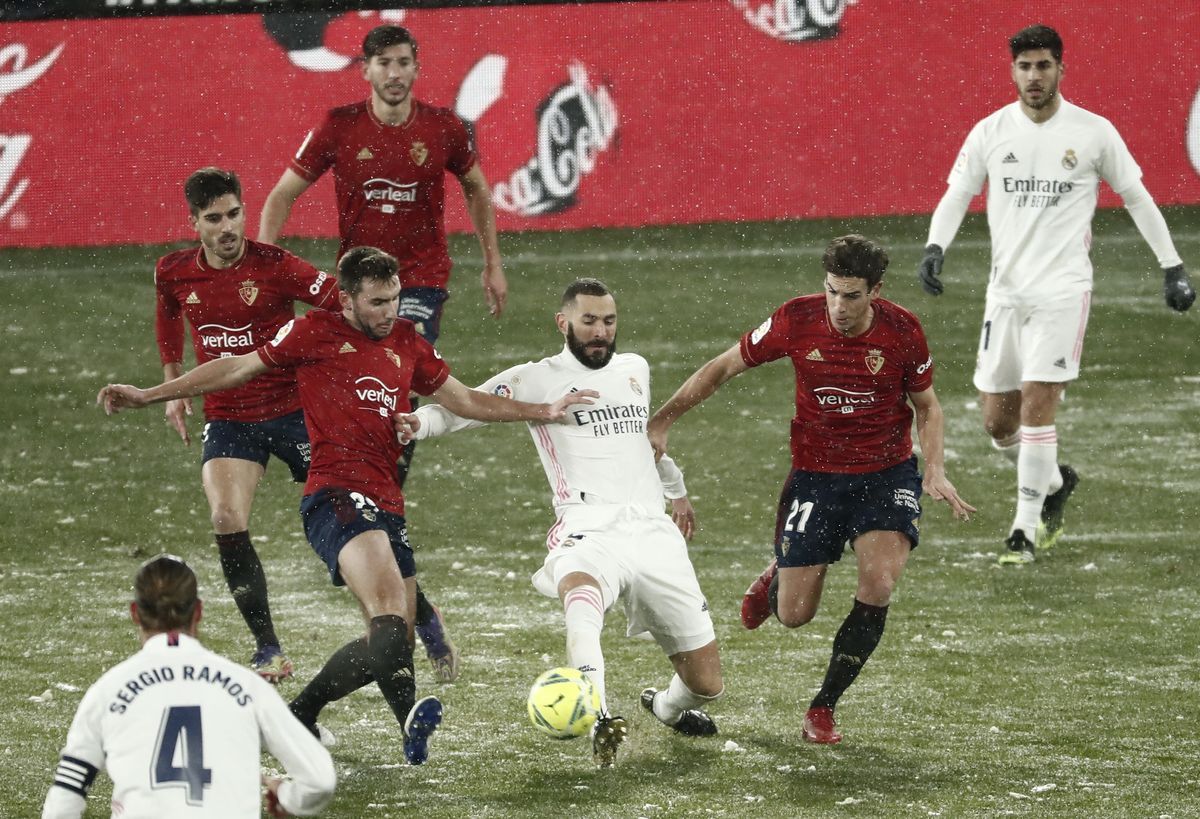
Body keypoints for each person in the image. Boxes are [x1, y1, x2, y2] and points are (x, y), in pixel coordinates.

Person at [98, 246, 593, 766]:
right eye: (377, 302)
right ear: (349, 299)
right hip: (334, 494)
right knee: (385, 614)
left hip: (387, 501)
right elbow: (236, 367)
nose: (390, 312)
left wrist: (543, 410)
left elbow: (464, 399)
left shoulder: (407, 343)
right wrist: (152, 394)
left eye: (396, 299)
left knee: (393, 637)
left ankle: (297, 716)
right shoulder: (314, 332)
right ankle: (401, 720)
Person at [648, 235, 974, 745]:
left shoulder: (903, 331)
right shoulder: (795, 320)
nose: (839, 308)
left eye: (851, 296)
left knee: (880, 585)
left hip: (886, 474)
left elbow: (928, 406)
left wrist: (933, 468)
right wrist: (662, 420)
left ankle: (823, 708)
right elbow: (722, 367)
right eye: (832, 292)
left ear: (876, 291)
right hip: (817, 476)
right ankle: (780, 571)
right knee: (793, 615)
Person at [259, 23, 508, 670]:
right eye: (385, 64)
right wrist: (267, 271)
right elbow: (282, 193)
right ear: (364, 71)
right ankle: (384, 550)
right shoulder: (339, 127)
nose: (397, 74)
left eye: (406, 63)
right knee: (333, 397)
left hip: (419, 284)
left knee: (395, 387)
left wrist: (490, 260)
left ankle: (379, 510)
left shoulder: (445, 128)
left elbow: (478, 186)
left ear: (415, 67)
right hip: (352, 291)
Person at [400, 278, 722, 768]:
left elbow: (642, 442)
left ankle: (665, 707)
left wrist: (676, 490)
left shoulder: (636, 368)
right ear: (563, 322)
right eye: (589, 321)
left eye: (608, 322)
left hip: (653, 532)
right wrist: (417, 423)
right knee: (580, 595)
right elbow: (460, 408)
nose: (600, 332)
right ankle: (597, 712)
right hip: (586, 526)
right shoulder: (536, 378)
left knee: (706, 684)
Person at [916, 24, 1195, 564]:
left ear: (1060, 69)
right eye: (1024, 67)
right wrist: (934, 247)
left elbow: (1137, 198)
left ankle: (1024, 529)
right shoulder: (991, 132)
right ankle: (1052, 481)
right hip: (1006, 295)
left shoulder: (1092, 132)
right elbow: (957, 194)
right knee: (999, 422)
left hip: (1064, 292)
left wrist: (1172, 267)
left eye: (1043, 65)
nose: (1034, 76)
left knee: (1039, 408)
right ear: (1012, 72)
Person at [155, 167, 340, 683]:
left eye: (234, 214)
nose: (228, 227)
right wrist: (173, 383)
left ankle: (413, 617)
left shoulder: (276, 265)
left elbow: (341, 304)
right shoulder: (172, 272)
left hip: (295, 412)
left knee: (355, 505)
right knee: (225, 518)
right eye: (214, 219)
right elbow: (168, 315)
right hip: (231, 418)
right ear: (195, 223)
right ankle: (268, 649)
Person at [42, 554, 336, 819]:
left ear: (135, 612)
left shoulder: (108, 690)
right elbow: (320, 780)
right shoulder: (247, 687)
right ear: (198, 611)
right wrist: (286, 795)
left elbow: (65, 798)